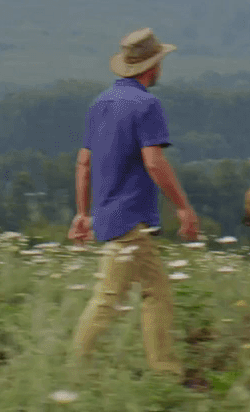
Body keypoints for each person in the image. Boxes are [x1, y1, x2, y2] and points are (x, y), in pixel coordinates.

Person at [69, 29, 201, 376]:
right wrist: (183, 207)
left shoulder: (99, 104)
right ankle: (75, 371)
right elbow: (154, 162)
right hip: (131, 219)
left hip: (109, 214)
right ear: (151, 67)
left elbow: (84, 162)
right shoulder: (147, 105)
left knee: (155, 293)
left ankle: (165, 372)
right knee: (109, 299)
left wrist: (83, 213)